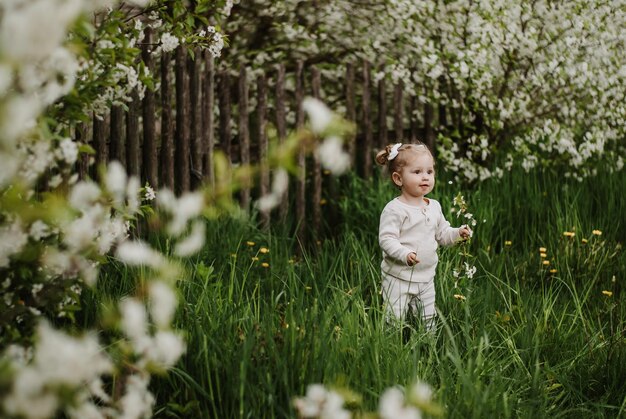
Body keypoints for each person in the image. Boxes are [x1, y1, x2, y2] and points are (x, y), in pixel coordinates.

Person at [375, 142, 472, 332]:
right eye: (417, 172)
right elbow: (386, 239)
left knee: (428, 320)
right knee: (393, 319)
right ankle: (390, 349)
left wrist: (458, 234)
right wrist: (404, 254)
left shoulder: (434, 206)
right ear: (398, 178)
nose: (425, 177)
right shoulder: (395, 209)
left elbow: (443, 234)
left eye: (430, 171)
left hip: (426, 278)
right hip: (398, 278)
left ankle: (428, 349)